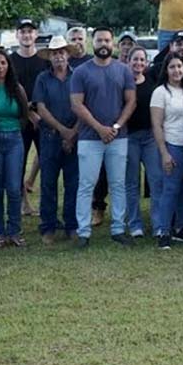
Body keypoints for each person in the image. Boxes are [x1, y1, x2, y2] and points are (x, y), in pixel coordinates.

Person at [70, 27, 137, 247]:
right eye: (99, 40)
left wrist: (116, 126)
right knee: (86, 185)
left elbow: (131, 102)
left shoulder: (124, 70)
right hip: (90, 137)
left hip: (118, 137)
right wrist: (99, 128)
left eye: (107, 40)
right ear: (93, 43)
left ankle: (118, 228)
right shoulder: (81, 72)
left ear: (113, 43)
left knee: (118, 184)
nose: (104, 44)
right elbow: (77, 104)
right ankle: (83, 231)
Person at [32, 36, 79, 245]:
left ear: (68, 54)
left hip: (75, 138)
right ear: (49, 57)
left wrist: (73, 133)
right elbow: (40, 108)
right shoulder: (42, 78)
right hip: (50, 137)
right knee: (48, 183)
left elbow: (84, 106)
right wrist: (63, 131)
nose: (58, 56)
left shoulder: (78, 76)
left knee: (73, 184)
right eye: (54, 53)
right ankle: (48, 226)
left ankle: (72, 225)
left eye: (61, 52)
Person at [151, 55, 183, 250]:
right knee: (170, 188)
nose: (177, 71)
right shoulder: (160, 92)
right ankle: (164, 231)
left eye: (179, 66)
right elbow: (156, 125)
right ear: (166, 70)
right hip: (173, 144)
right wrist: (164, 152)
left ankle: (180, 227)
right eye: (172, 67)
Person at [0, 50, 30, 248]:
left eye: (3, 63)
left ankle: (14, 231)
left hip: (14, 139)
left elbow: (25, 114)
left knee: (14, 188)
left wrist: (14, 130)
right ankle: (0, 232)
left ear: (8, 65)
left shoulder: (16, 88)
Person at [123, 47, 161, 240]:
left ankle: (158, 224)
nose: (138, 63)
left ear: (146, 63)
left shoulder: (152, 83)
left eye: (142, 60)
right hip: (129, 138)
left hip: (150, 138)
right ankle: (135, 224)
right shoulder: (123, 84)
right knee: (131, 183)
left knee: (156, 180)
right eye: (135, 60)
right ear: (128, 61)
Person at [9, 18, 45, 218]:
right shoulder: (10, 61)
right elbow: (10, 90)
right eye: (22, 31)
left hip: (42, 119)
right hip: (19, 121)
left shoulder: (43, 60)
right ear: (17, 35)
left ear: (36, 34)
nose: (26, 35)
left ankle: (45, 204)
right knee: (18, 164)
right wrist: (27, 112)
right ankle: (23, 203)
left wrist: (38, 112)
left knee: (46, 161)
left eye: (30, 31)